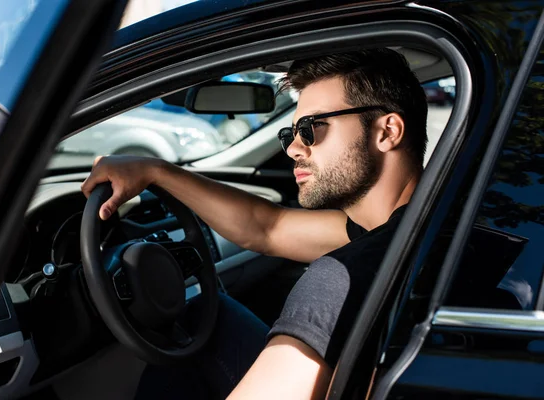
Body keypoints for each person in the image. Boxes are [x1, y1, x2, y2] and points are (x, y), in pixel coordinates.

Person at [81, 48, 427, 399]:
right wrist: (156, 171)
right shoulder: (422, 224)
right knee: (205, 317)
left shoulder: (340, 276)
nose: (293, 148)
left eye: (311, 128)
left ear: (387, 132)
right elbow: (268, 228)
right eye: (289, 133)